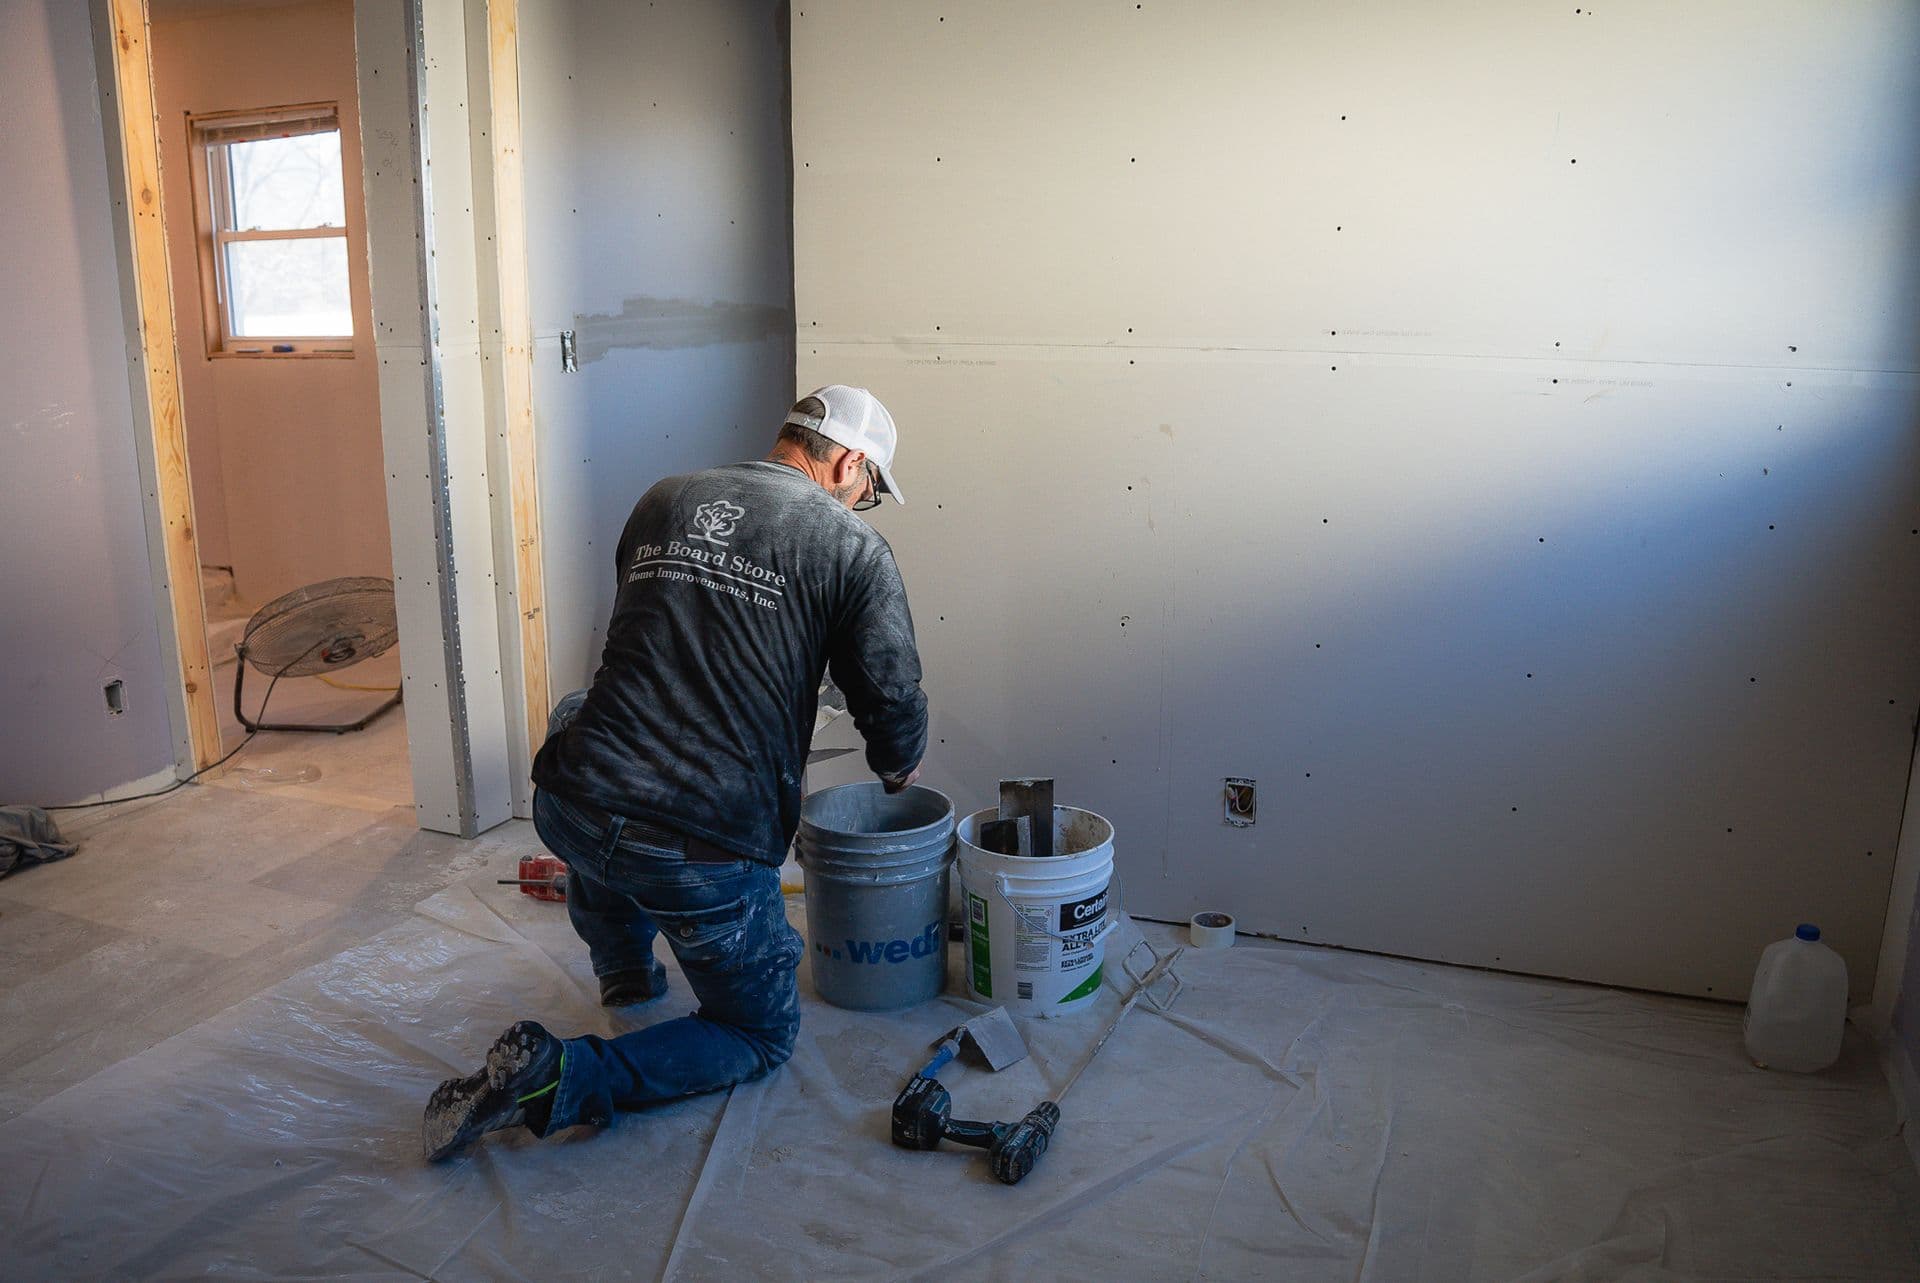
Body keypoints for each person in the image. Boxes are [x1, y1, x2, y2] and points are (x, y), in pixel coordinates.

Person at [424, 385, 927, 1161]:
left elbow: (653, 634)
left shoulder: (665, 498)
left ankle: (624, 966)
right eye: (867, 489)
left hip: (570, 802)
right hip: (698, 851)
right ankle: (557, 1078)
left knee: (584, 714)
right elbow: (890, 694)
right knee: (759, 1030)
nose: (860, 503)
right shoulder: (852, 548)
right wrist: (899, 763)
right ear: (848, 463)